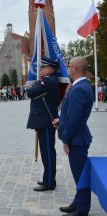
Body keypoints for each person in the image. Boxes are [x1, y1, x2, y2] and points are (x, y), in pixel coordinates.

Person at [53, 57, 93, 216]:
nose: (67, 69)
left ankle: (82, 210)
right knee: (79, 174)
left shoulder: (79, 89)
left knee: (81, 175)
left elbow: (74, 120)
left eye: (69, 66)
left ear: (75, 68)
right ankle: (77, 203)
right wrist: (61, 120)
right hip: (77, 137)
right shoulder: (81, 86)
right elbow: (70, 115)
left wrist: (66, 140)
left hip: (76, 140)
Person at [27, 57, 60, 192]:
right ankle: (48, 178)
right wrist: (36, 84)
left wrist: (35, 85)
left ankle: (49, 182)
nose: (40, 69)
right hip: (43, 120)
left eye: (43, 67)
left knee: (47, 152)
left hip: (46, 121)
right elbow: (33, 90)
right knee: (46, 152)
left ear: (50, 69)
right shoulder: (46, 80)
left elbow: (30, 92)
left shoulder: (50, 81)